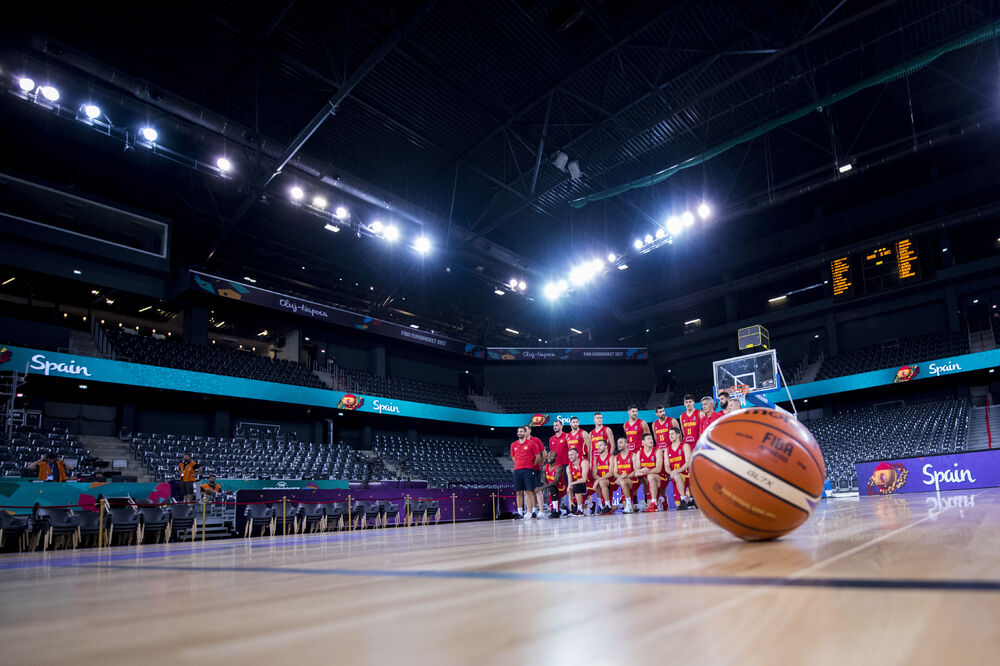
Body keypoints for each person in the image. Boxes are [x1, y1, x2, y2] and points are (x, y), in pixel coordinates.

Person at [510, 426, 542, 519]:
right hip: (517, 470)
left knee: (529, 491)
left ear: (525, 433)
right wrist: (519, 464)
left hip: (528, 469)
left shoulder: (532, 444)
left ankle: (532, 511)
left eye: (521, 431)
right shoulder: (513, 445)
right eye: (518, 431)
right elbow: (513, 457)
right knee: (518, 492)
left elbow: (538, 457)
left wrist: (531, 466)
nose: (519, 433)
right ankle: (520, 512)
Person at [665, 426, 695, 509]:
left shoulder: (685, 446)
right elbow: (666, 466)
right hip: (676, 477)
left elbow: (688, 463)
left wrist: (677, 471)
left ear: (678, 435)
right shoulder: (667, 449)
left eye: (672, 434)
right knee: (677, 505)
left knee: (678, 476)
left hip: (686, 475)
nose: (670, 436)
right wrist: (671, 472)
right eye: (669, 434)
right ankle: (686, 500)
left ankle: (685, 500)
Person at [633, 433, 662, 512]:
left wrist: (647, 471)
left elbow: (658, 469)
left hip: (658, 478)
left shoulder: (657, 451)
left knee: (650, 476)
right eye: (648, 439)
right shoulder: (639, 453)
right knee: (635, 475)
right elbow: (637, 469)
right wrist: (641, 471)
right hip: (646, 478)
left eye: (651, 439)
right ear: (643, 442)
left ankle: (654, 502)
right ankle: (636, 502)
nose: (651, 440)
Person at [525, 425, 546, 518]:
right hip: (525, 469)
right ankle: (530, 511)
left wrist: (541, 463)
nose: (524, 432)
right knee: (528, 490)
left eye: (526, 430)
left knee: (537, 489)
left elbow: (544, 453)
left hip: (536, 468)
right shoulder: (520, 442)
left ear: (530, 430)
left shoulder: (536, 440)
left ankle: (541, 511)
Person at [589, 438, 615, 515]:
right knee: (599, 482)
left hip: (612, 481)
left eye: (601, 445)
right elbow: (594, 474)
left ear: (606, 446)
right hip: (602, 482)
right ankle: (601, 505)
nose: (598, 447)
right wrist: (599, 480)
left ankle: (607, 505)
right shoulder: (596, 459)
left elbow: (611, 472)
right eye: (598, 446)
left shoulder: (611, 457)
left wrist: (599, 480)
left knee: (600, 481)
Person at [612, 437, 637, 513]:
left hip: (634, 481)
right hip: (623, 482)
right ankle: (639, 506)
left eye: (621, 442)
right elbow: (615, 473)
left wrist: (626, 476)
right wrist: (620, 477)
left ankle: (629, 505)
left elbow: (636, 470)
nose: (618, 445)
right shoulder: (616, 457)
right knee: (625, 506)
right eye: (618, 443)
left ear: (626, 444)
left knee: (623, 481)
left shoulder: (633, 455)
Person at [539, 450, 567, 519]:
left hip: (561, 488)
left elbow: (555, 482)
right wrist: (547, 487)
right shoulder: (544, 467)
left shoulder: (558, 467)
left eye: (551, 456)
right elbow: (544, 479)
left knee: (552, 488)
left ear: (555, 458)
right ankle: (561, 511)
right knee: (551, 493)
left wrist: (544, 487)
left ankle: (556, 512)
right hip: (551, 488)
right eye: (548, 456)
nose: (549, 457)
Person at [565, 447, 590, 516]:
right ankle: (583, 505)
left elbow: (584, 479)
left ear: (577, 455)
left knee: (576, 484)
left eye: (572, 454)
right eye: (569, 455)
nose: (570, 457)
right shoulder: (568, 467)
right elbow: (570, 485)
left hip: (588, 485)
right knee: (573, 509)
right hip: (578, 488)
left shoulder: (584, 462)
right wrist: (570, 500)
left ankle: (580, 509)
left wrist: (571, 484)